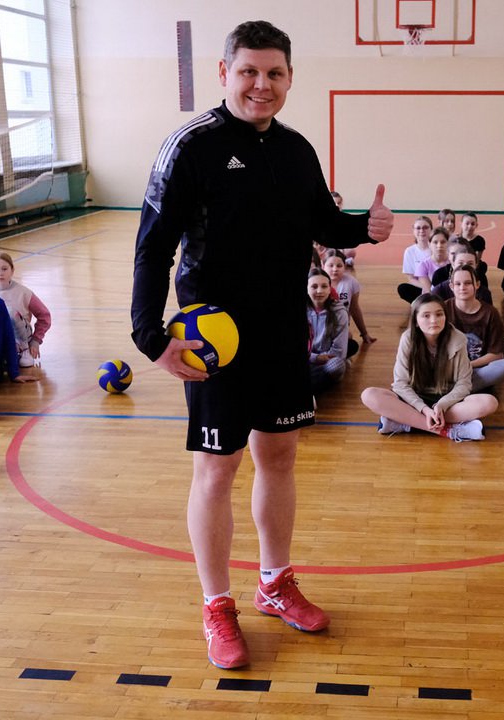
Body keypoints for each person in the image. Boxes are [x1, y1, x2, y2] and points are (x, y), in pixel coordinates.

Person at [130, 20, 393, 671]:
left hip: (281, 330)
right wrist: (150, 336)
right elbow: (153, 247)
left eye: (274, 73)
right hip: (214, 339)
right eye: (249, 71)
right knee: (217, 470)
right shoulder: (191, 146)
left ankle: (274, 583)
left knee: (279, 456)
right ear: (225, 73)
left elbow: (322, 222)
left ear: (290, 78)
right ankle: (216, 605)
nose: (261, 84)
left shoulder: (296, 149)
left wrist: (365, 226)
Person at [360, 293, 498, 440]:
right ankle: (448, 431)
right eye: (426, 316)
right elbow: (400, 384)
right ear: (416, 321)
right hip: (413, 400)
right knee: (369, 395)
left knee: (489, 403)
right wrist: (424, 409)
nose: (434, 320)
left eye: (439, 314)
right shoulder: (408, 339)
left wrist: (441, 405)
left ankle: (405, 422)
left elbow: (464, 384)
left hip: (447, 400)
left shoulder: (458, 339)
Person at [444, 264, 504, 390]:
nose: (462, 287)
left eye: (468, 283)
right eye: (458, 284)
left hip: (477, 369)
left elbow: (497, 355)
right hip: (448, 369)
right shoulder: (443, 309)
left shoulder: (490, 313)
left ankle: (456, 390)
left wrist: (467, 366)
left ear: (477, 284)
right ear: (451, 287)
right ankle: (464, 389)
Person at [0, 250, 52, 369]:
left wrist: (36, 340)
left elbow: (44, 315)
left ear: (12, 270)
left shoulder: (23, 292)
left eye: (4, 269)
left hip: (20, 335)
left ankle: (24, 350)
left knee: (9, 311)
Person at [321, 250, 375, 353]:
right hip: (319, 327)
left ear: (345, 266)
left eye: (339, 266)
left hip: (339, 328)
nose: (335, 269)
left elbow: (354, 309)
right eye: (330, 265)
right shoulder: (317, 282)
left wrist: (364, 333)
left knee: (351, 343)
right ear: (323, 266)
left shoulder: (351, 282)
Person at [306, 268, 348, 392]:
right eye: (314, 286)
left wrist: (322, 359)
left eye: (324, 286)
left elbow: (339, 351)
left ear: (330, 289)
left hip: (327, 361)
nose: (319, 291)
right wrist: (315, 358)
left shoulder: (340, 312)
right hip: (309, 358)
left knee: (337, 366)